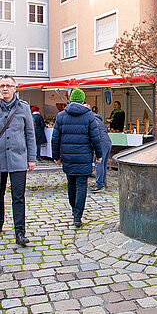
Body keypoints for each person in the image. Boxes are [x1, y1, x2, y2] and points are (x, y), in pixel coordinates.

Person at [52, 88, 102, 228]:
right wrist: (99, 155)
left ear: (70, 100)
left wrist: (56, 156)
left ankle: (74, 209)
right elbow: (95, 138)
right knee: (81, 186)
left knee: (71, 184)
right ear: (82, 100)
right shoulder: (89, 116)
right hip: (84, 156)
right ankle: (77, 216)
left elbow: (55, 139)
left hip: (68, 156)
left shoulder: (61, 116)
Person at [0, 75, 36, 245]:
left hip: (18, 158)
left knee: (18, 197)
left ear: (15, 88)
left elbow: (30, 134)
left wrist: (31, 158)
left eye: (8, 86)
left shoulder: (23, 108)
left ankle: (20, 232)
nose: (5, 89)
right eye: (2, 86)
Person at [91, 109, 112, 192]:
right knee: (103, 164)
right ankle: (102, 183)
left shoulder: (92, 121)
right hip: (107, 142)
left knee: (99, 163)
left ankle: (99, 184)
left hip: (101, 143)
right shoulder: (98, 120)